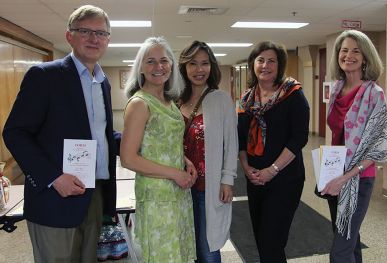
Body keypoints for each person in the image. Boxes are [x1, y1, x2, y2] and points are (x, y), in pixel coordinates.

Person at [2, 5, 120, 262]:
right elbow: (15, 132)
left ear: (108, 40)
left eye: (101, 33)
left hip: (95, 194)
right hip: (55, 197)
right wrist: (54, 177)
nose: (94, 38)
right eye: (85, 31)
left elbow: (101, 135)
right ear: (69, 36)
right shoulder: (45, 76)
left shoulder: (102, 83)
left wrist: (140, 139)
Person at [120, 36, 197, 262]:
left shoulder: (168, 101)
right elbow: (128, 159)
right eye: (150, 61)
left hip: (177, 193)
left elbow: (162, 142)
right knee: (164, 256)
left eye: (164, 60)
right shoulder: (140, 104)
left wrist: (185, 161)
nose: (158, 67)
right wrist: (176, 173)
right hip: (157, 198)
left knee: (178, 255)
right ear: (141, 68)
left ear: (172, 65)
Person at [321, 30, 387, 263]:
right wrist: (332, 174)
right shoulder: (337, 89)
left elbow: (378, 147)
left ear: (365, 57)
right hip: (334, 175)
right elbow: (337, 136)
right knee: (349, 241)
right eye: (344, 50)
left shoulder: (374, 94)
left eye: (355, 51)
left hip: (358, 178)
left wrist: (347, 176)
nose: (348, 55)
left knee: (340, 251)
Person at [237, 41, 310, 263]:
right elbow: (240, 139)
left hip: (285, 178)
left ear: (279, 65)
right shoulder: (247, 99)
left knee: (272, 240)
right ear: (253, 64)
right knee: (261, 238)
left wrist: (272, 170)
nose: (265, 65)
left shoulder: (293, 95)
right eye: (260, 60)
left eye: (271, 61)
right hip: (255, 178)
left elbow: (299, 138)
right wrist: (246, 168)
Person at [178, 41, 238, 262]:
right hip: (177, 186)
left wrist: (227, 179)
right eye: (193, 63)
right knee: (186, 244)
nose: (199, 69)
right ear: (183, 67)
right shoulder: (175, 99)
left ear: (212, 67)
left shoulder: (221, 99)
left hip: (207, 187)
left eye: (204, 63)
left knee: (207, 248)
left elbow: (231, 144)